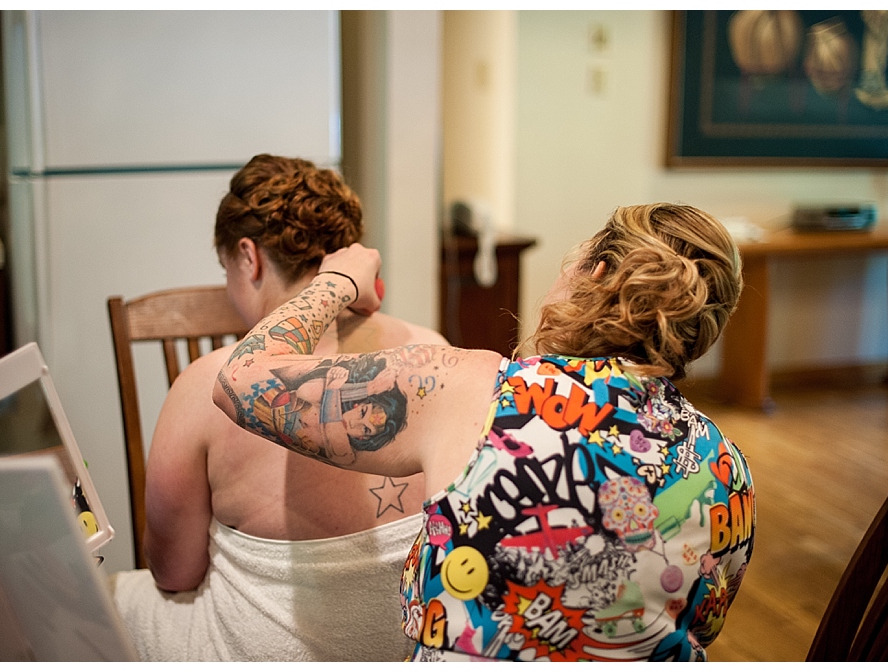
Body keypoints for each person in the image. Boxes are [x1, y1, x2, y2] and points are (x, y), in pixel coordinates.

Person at [212, 202, 756, 662]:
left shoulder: (468, 389)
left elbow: (241, 381)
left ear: (593, 273)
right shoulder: (727, 468)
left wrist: (333, 282)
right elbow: (700, 627)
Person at [109, 155, 448, 661]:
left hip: (267, 654)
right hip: (403, 647)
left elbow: (173, 572)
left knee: (111, 595)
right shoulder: (431, 351)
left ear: (249, 257)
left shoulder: (209, 385)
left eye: (227, 269)